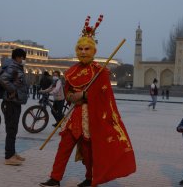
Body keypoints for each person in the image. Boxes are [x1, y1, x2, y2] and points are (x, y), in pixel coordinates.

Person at [40, 15, 136, 187]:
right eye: (80, 49)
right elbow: (68, 93)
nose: (83, 52)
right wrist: (72, 97)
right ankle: (55, 178)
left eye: (86, 49)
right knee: (63, 148)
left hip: (92, 118)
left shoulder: (101, 72)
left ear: (93, 51)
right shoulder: (72, 71)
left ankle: (90, 179)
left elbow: (104, 96)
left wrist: (84, 96)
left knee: (89, 151)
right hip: (74, 116)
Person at [0, 48, 29, 166]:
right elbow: (3, 79)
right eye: (22, 58)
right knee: (11, 129)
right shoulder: (13, 67)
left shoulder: (16, 67)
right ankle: (8, 156)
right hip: (11, 102)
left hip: (15, 102)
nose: (23, 60)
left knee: (13, 129)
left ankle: (12, 152)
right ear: (18, 57)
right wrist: (14, 91)